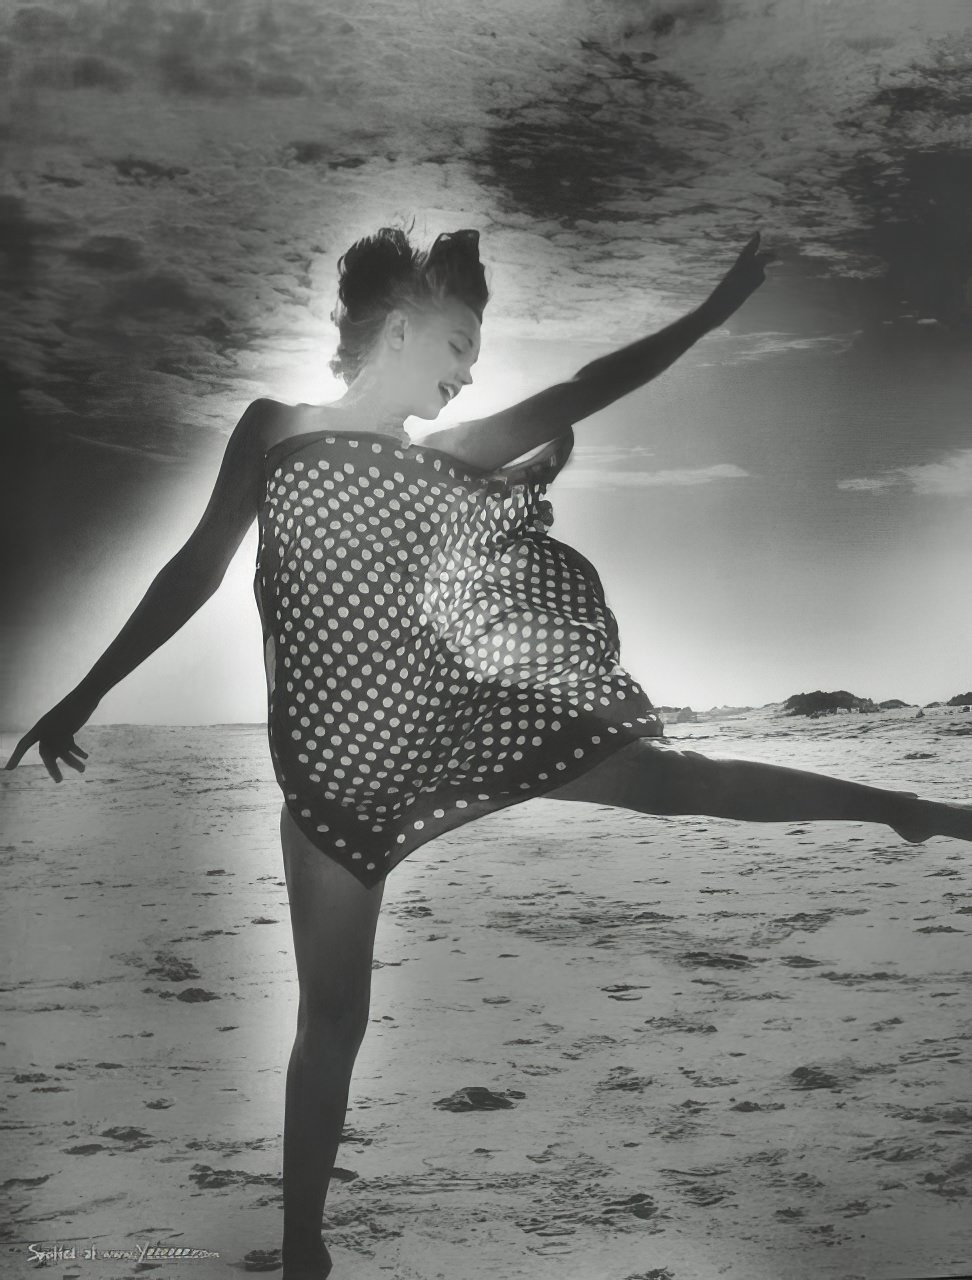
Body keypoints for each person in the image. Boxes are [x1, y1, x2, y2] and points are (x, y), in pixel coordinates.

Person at [6, 224, 970, 1280]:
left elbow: (594, 381)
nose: (470, 370)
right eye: (461, 342)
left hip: (441, 721)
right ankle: (303, 1252)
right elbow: (194, 567)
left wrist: (708, 312)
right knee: (331, 1019)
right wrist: (85, 690)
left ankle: (900, 805)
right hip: (330, 774)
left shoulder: (449, 458)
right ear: (406, 324)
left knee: (668, 781)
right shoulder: (273, 428)